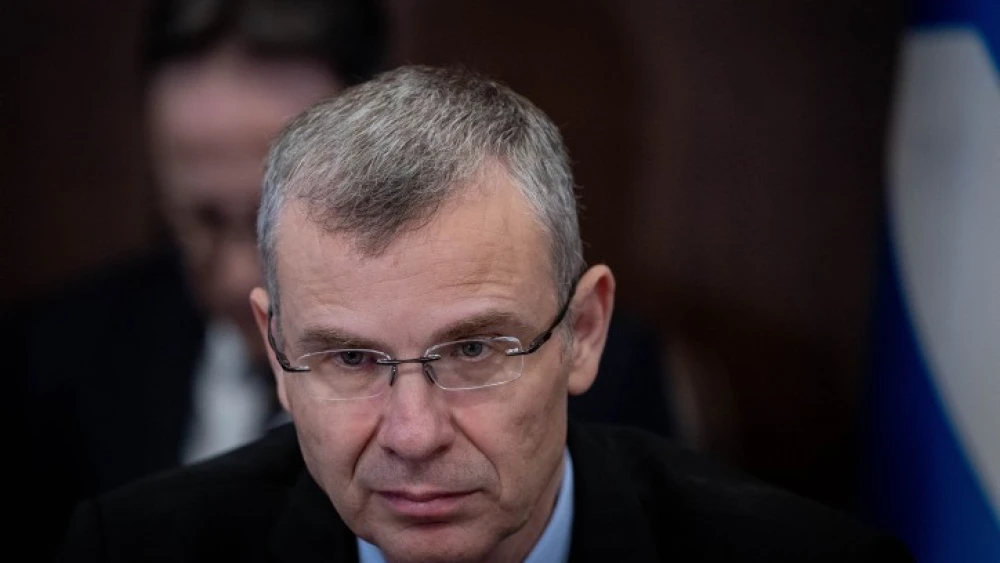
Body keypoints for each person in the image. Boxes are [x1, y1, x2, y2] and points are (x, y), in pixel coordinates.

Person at [57, 65, 911, 562]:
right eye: (350, 358)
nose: (413, 433)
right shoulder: (132, 552)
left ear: (583, 332)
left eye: (472, 349)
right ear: (277, 352)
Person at [10, 0, 386, 553]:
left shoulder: (453, 382)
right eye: (202, 221)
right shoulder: (45, 368)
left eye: (266, 224)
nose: (237, 279)